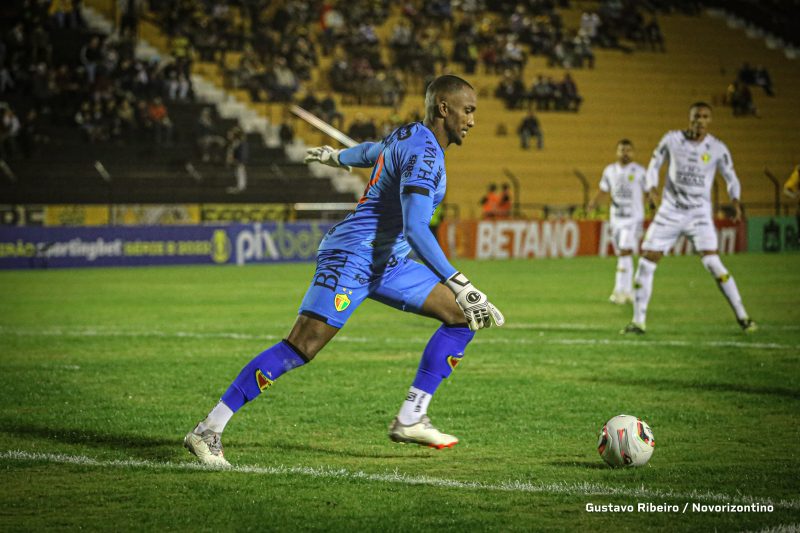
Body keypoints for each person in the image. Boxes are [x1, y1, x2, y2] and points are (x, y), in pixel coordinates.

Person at [184, 75, 505, 467]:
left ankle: (411, 416)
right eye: (468, 110)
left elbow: (373, 150)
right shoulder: (426, 156)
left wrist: (335, 157)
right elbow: (416, 228)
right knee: (301, 347)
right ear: (444, 108)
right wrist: (460, 281)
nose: (472, 120)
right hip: (353, 256)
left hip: (386, 262)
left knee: (463, 316)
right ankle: (208, 430)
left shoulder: (411, 134)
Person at [622, 102, 756, 335]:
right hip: (670, 211)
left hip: (699, 214)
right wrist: (651, 188)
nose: (700, 121)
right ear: (690, 118)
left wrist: (735, 201)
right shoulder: (672, 140)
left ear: (710, 120)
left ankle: (743, 317)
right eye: (696, 116)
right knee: (646, 262)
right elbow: (654, 165)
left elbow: (731, 176)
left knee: (713, 263)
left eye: (705, 117)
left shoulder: (717, 148)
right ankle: (638, 322)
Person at [588, 139, 648, 304]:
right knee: (623, 254)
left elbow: (649, 191)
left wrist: (655, 206)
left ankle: (619, 291)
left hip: (633, 218)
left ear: (633, 153)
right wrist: (593, 203)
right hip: (616, 219)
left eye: (628, 150)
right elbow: (603, 190)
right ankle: (628, 291)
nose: (625, 153)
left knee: (624, 251)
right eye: (622, 150)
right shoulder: (610, 171)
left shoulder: (640, 171)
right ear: (617, 152)